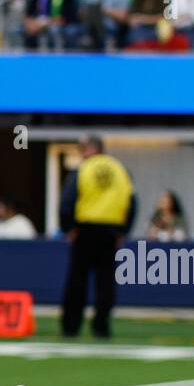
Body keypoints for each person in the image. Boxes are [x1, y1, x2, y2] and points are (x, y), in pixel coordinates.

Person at [58, 134, 134, 339]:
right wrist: (123, 231)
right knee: (106, 281)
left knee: (77, 280)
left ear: (90, 148)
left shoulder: (83, 169)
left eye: (83, 148)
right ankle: (101, 327)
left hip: (85, 229)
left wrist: (69, 228)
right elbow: (131, 202)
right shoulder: (120, 170)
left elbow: (68, 200)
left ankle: (71, 327)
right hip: (110, 231)